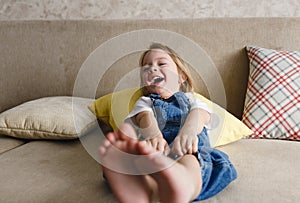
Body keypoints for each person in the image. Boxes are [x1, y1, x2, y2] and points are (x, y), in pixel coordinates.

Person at [99, 43, 237, 203]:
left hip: (187, 150)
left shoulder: (191, 99)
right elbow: (144, 118)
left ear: (181, 76)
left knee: (191, 162)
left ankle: (176, 186)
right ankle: (147, 187)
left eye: (161, 63)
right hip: (153, 152)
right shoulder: (145, 101)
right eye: (146, 67)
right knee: (139, 160)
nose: (152, 68)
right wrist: (153, 135)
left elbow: (200, 115)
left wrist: (188, 132)